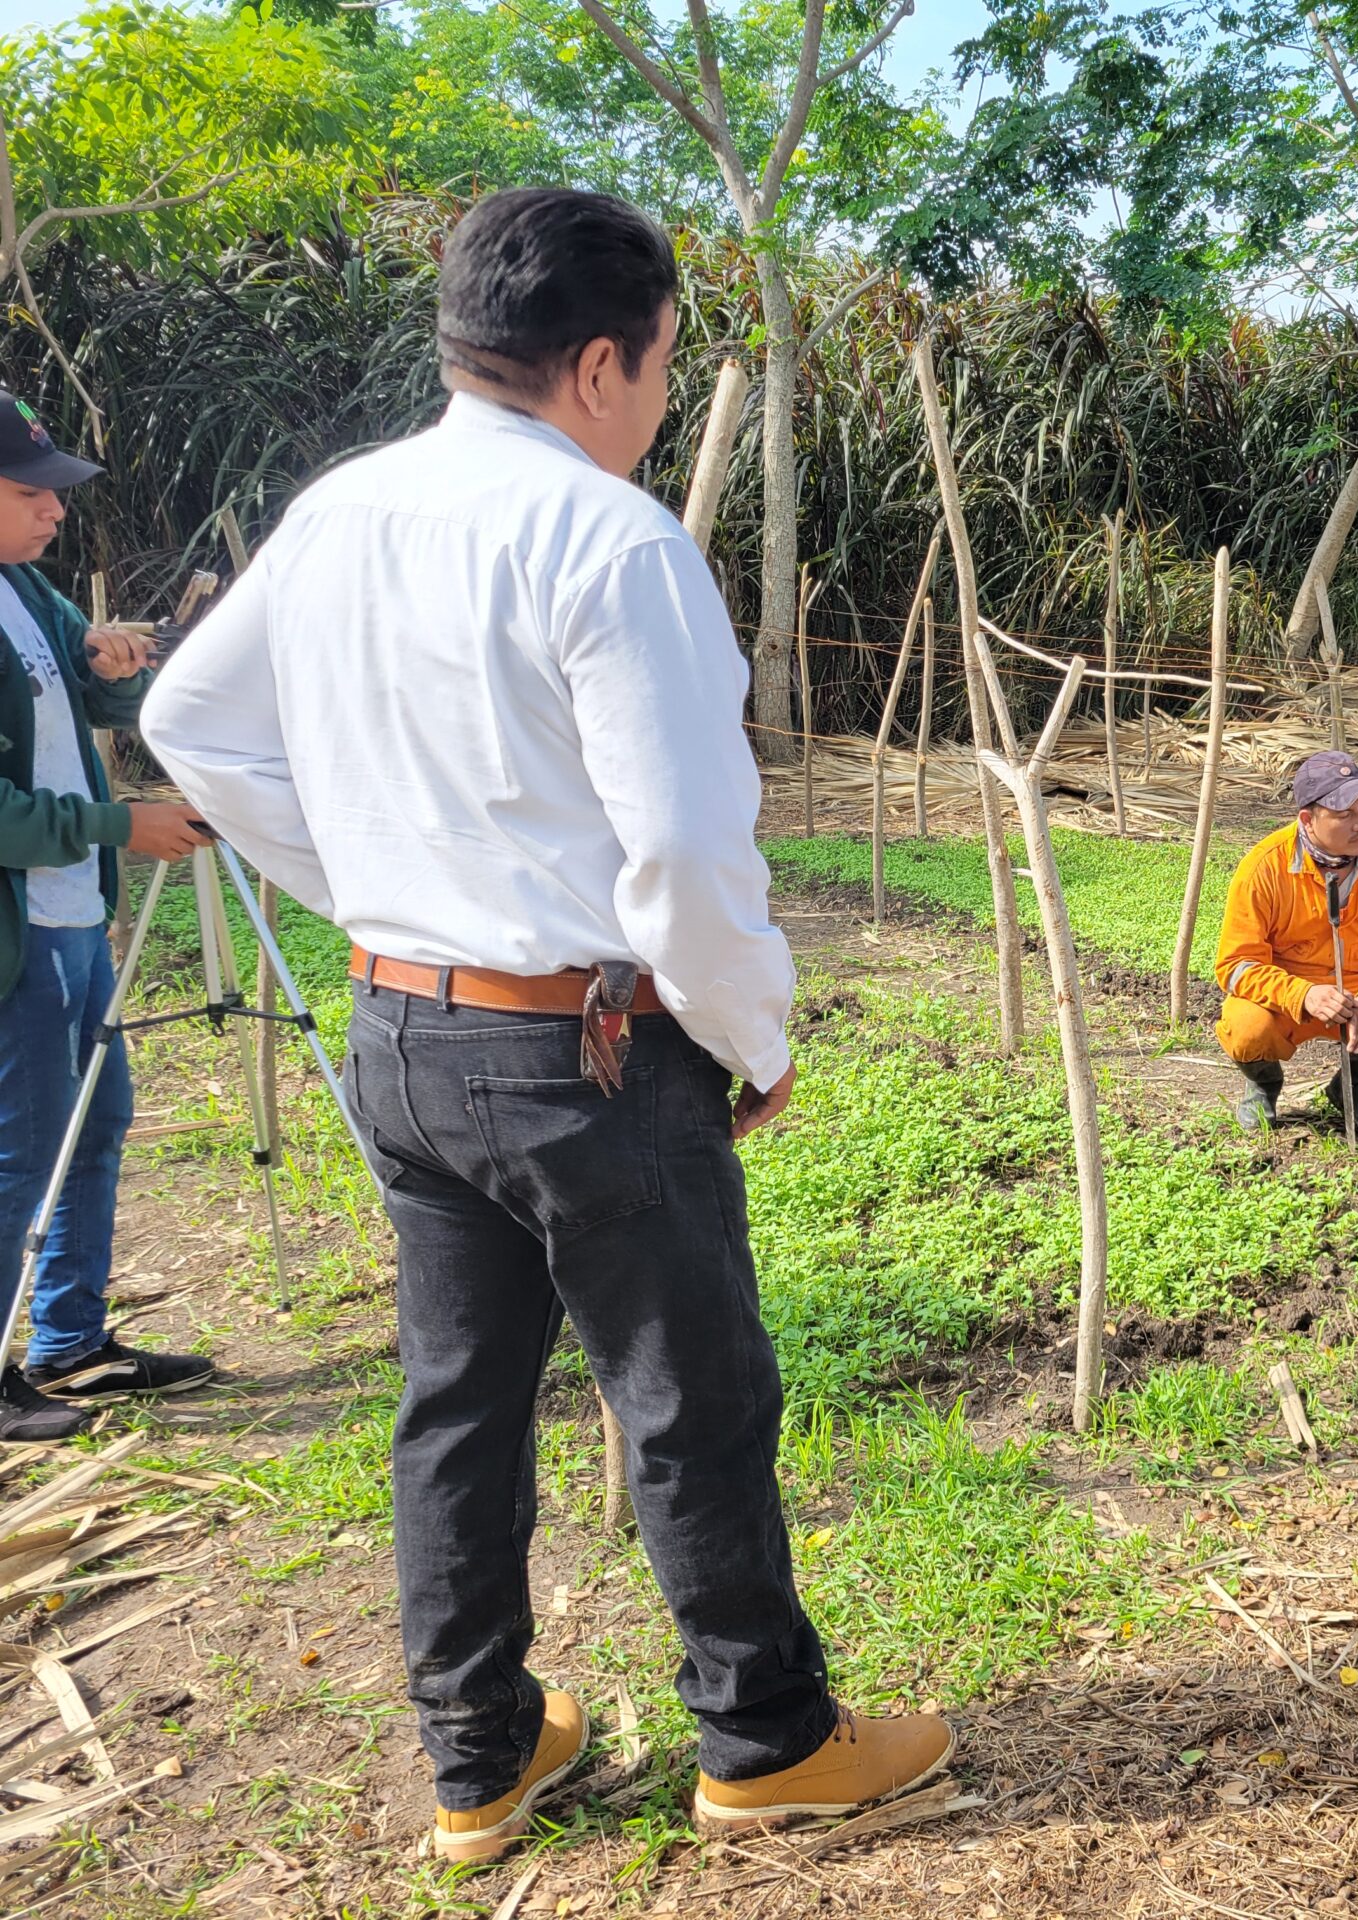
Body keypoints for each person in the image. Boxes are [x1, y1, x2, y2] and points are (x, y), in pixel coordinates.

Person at [142, 189, 951, 1864]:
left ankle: (481, 1758)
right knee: (688, 1395)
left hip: (402, 1035)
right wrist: (753, 1030)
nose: (657, 401)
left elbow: (188, 723)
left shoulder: (342, 507)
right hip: (582, 1050)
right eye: (660, 366)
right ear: (603, 360)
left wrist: (348, 885)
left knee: (457, 1400)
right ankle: (766, 1736)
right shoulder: (609, 540)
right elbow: (679, 850)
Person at [0, 388, 220, 1444]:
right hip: (19, 934)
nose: (54, 512)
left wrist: (118, 669)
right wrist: (115, 827)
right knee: (21, 1150)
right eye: (31, 491)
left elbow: (94, 707)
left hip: (74, 918)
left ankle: (69, 1340)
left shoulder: (30, 596)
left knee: (95, 1124)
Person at [1213, 750, 1358, 1139]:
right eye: (1344, 815)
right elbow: (1235, 966)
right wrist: (1302, 994)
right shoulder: (1263, 866)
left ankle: (1353, 1090)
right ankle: (1264, 1087)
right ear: (1307, 819)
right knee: (1247, 1027)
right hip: (1290, 996)